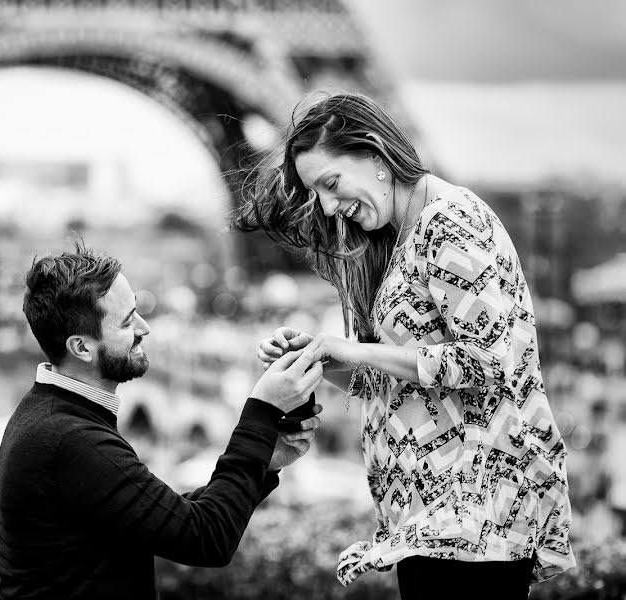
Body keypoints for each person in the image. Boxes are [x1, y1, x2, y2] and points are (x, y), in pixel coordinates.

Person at [235, 92, 576, 599]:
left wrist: (353, 348)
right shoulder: (406, 235)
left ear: (375, 155)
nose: (329, 207)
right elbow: (412, 375)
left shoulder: (449, 221)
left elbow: (486, 362)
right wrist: (323, 356)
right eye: (318, 193)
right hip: (439, 521)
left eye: (331, 184)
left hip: (474, 521)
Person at [0, 242, 327, 599]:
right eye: (128, 320)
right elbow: (205, 537)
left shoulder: (54, 416)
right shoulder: (68, 437)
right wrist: (262, 409)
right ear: (81, 348)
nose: (144, 328)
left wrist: (263, 459)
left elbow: (166, 517)